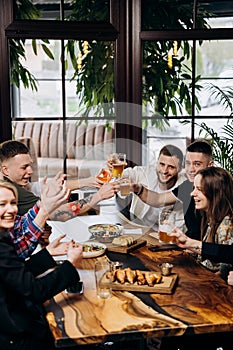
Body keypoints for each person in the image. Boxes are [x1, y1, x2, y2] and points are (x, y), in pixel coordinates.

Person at [0, 181, 83, 350]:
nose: (11, 210)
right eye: (2, 204)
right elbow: (34, 290)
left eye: (13, 203)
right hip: (15, 337)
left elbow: (14, 276)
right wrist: (70, 264)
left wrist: (48, 254)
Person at [0, 140, 115, 218]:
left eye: (30, 165)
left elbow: (42, 187)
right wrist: (99, 196)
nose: (30, 171)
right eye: (24, 167)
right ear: (5, 170)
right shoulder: (11, 191)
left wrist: (89, 181)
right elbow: (60, 213)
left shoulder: (10, 183)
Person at [130, 140, 214, 240]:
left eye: (197, 164)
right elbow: (158, 199)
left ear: (210, 165)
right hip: (190, 246)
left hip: (207, 249)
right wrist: (138, 189)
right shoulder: (187, 186)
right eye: (188, 163)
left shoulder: (220, 185)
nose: (191, 169)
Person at [168, 167, 233, 281]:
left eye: (199, 189)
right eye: (194, 188)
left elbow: (225, 265)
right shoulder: (211, 217)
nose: (192, 193)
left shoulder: (226, 224)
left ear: (215, 192)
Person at [114, 145, 187, 231]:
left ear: (180, 169)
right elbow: (123, 176)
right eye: (162, 164)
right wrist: (115, 169)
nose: (164, 171)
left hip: (168, 235)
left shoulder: (185, 185)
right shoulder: (144, 173)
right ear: (157, 162)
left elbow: (181, 226)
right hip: (139, 229)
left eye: (171, 167)